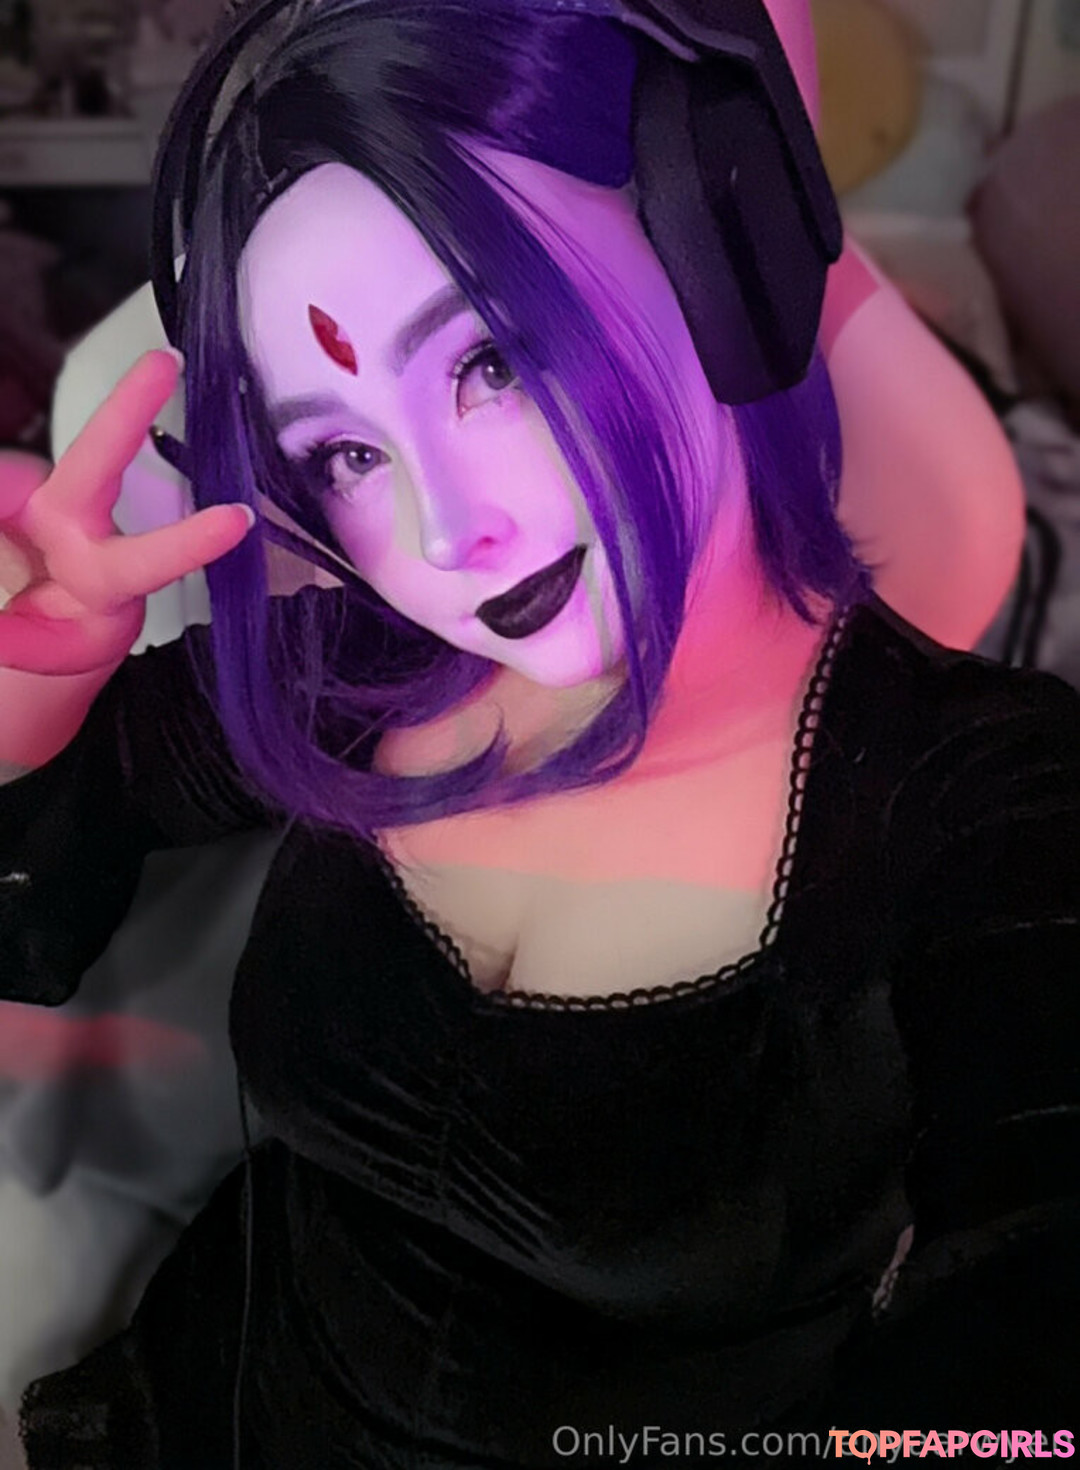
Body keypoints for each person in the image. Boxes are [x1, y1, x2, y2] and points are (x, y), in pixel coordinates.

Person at [0, 2, 1076, 1467]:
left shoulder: (994, 802)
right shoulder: (362, 672)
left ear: (724, 258)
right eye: (347, 451)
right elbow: (27, 908)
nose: (445, 534)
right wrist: (39, 692)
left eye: (492, 364)